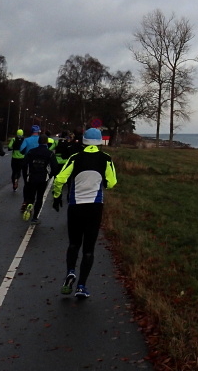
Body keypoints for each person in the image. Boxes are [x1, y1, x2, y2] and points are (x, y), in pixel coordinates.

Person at [52, 128, 117, 299]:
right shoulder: (106, 159)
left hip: (76, 206)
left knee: (74, 243)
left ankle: (70, 272)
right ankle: (81, 286)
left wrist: (56, 196)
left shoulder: (75, 157)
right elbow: (111, 183)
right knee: (89, 249)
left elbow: (59, 179)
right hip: (95, 207)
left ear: (84, 141)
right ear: (99, 141)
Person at [21, 135, 56, 223]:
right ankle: (35, 217)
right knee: (40, 197)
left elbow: (24, 165)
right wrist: (50, 175)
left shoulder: (31, 152)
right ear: (47, 142)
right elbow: (55, 166)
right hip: (43, 177)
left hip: (32, 176)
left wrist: (25, 177)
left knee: (31, 195)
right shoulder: (50, 153)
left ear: (38, 142)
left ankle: (29, 204)